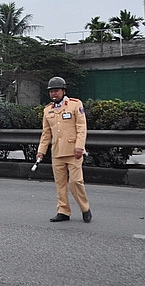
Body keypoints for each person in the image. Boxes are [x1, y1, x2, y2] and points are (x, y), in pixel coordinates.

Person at [36, 76, 92, 223]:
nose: (53, 94)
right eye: (51, 91)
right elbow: (46, 133)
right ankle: (63, 211)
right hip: (57, 152)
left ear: (63, 91)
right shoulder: (47, 110)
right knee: (60, 184)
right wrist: (41, 151)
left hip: (74, 151)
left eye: (56, 91)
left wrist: (80, 146)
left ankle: (85, 208)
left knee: (75, 182)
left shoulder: (74, 105)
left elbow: (81, 127)